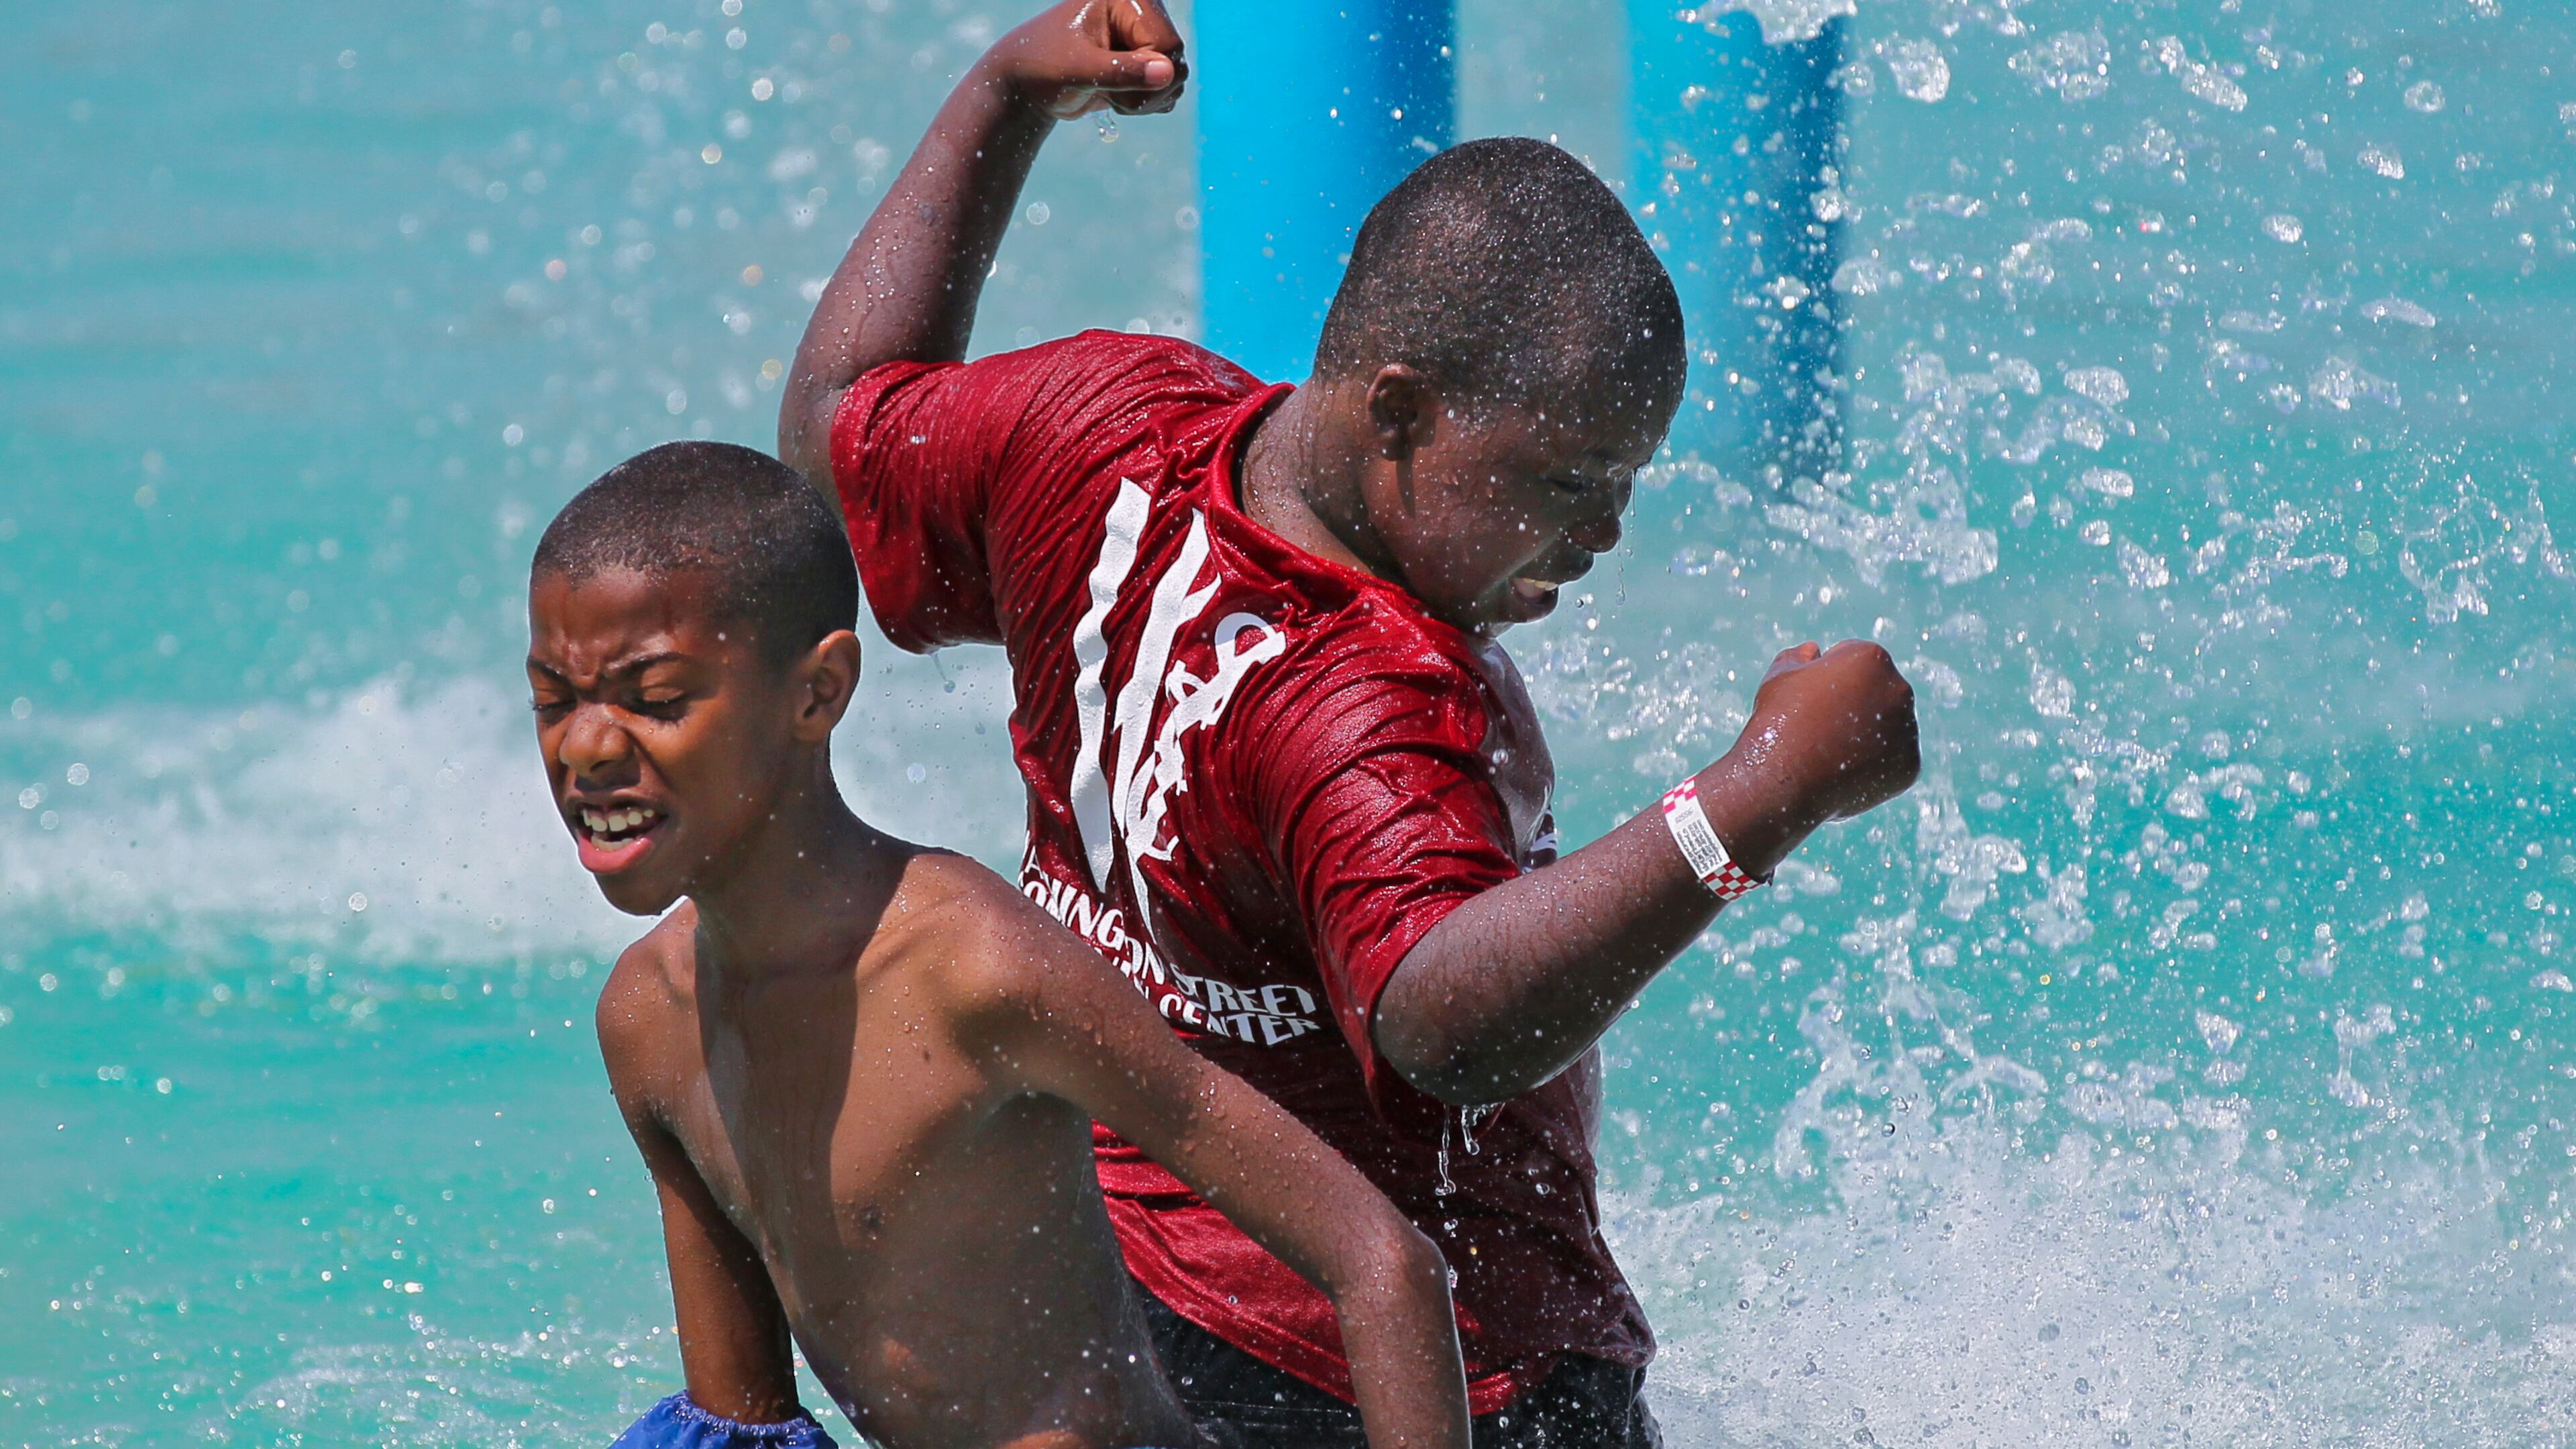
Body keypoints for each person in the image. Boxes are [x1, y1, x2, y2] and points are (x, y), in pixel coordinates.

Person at [778, 3, 1922, 1442]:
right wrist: (1761, 796)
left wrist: (1002, 98)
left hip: (1105, 1273)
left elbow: (834, 437)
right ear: (1398, 413)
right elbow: (1441, 1020)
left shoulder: (1101, 421)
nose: (1608, 531)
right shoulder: (1368, 706)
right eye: (1570, 482)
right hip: (1421, 1372)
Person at [527, 441, 1471, 1449]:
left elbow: (1383, 1263)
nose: (585, 749)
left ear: (817, 693)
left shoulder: (974, 969)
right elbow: (741, 1429)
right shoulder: (647, 1023)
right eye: (553, 700)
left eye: (657, 700)